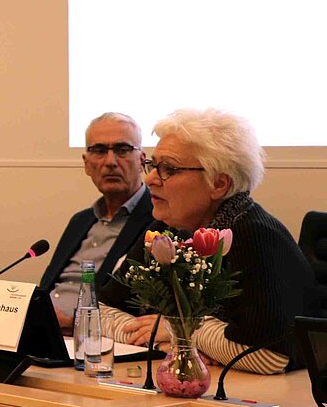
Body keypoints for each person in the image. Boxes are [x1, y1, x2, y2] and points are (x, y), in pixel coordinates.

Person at [99, 108, 317, 374]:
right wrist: (177, 343)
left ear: (219, 184)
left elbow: (268, 356)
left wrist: (176, 330)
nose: (150, 179)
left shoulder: (255, 236)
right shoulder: (167, 229)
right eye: (152, 165)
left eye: (168, 169)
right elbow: (98, 312)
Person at [39, 113, 154, 333]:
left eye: (122, 150)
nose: (110, 162)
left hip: (95, 342)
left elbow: (139, 311)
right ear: (86, 164)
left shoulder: (159, 222)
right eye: (100, 151)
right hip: (47, 336)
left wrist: (73, 321)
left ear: (141, 161)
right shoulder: (80, 221)